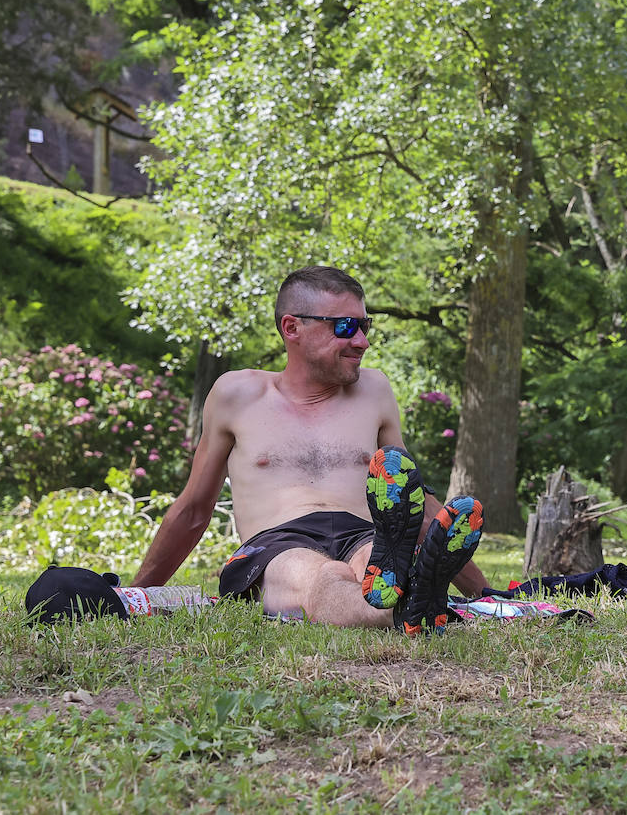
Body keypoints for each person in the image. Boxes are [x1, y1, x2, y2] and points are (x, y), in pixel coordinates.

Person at [132, 265, 490, 633]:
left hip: (366, 533)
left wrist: (485, 593)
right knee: (324, 576)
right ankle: (406, 605)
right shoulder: (235, 395)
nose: (362, 342)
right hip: (277, 543)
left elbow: (408, 495)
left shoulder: (375, 390)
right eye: (345, 327)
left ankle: (407, 594)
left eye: (364, 326)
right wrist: (135, 594)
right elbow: (193, 509)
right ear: (292, 328)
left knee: (374, 558)